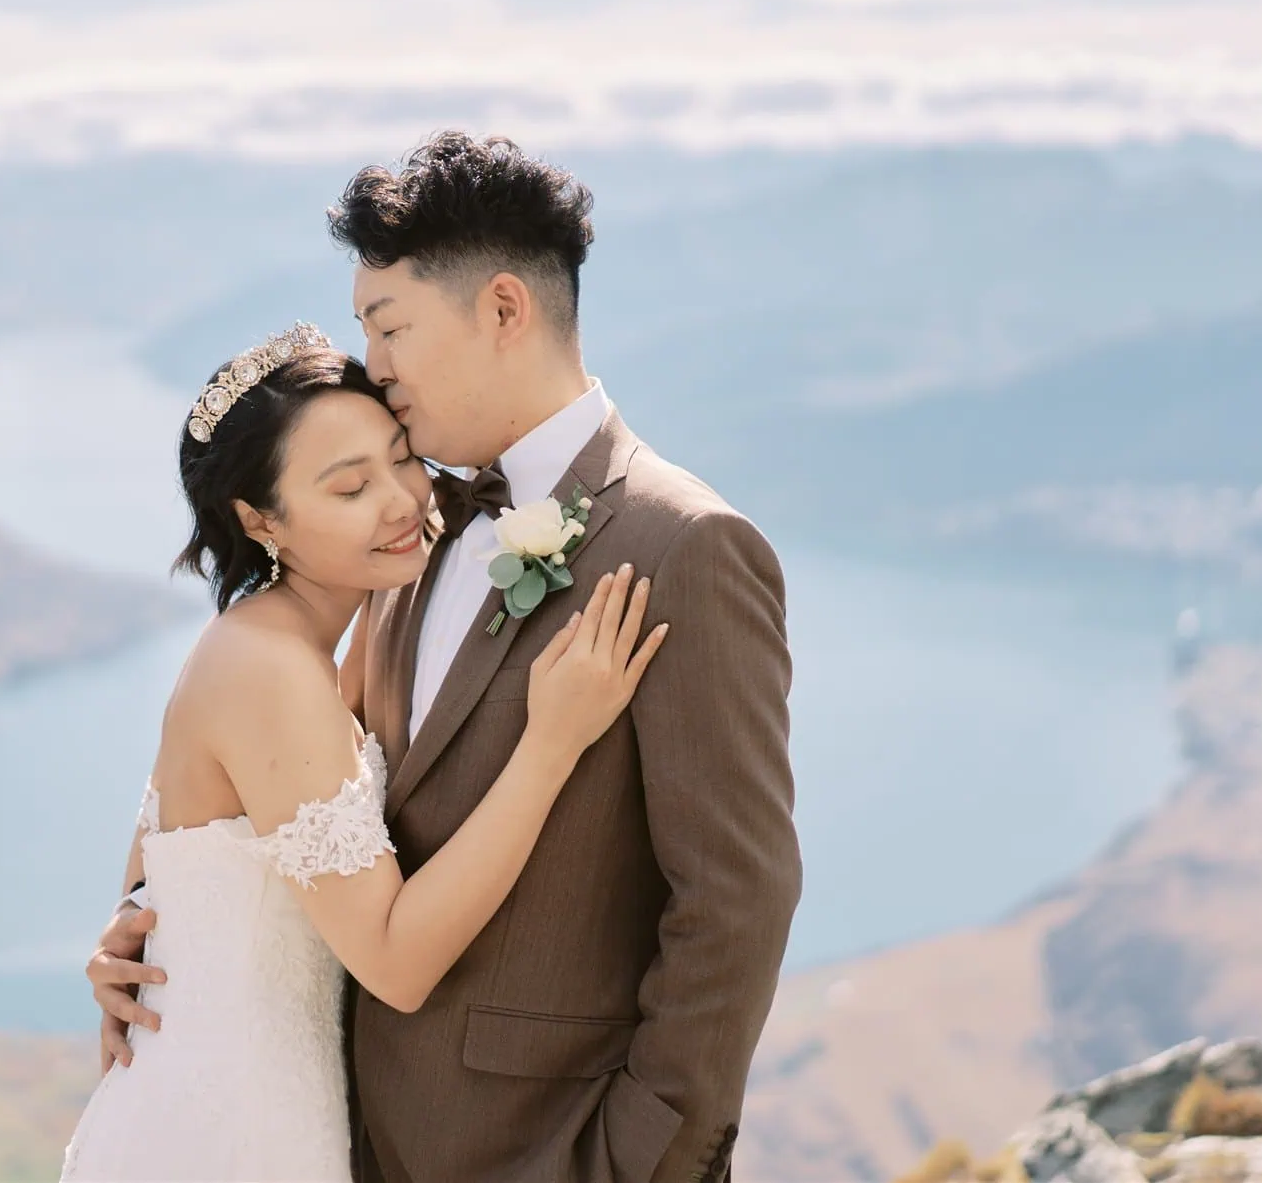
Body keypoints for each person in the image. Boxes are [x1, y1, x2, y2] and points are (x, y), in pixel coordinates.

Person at [88, 132, 803, 1183]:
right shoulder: (406, 534)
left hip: (548, 1158)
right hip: (336, 1136)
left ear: (502, 310)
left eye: (388, 327)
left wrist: (640, 1159)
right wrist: (142, 939)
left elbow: (735, 899)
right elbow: (280, 806)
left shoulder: (683, 547)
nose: (374, 366)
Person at [60, 320, 667, 1182]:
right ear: (259, 519)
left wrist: (133, 930)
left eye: (402, 457)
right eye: (350, 488)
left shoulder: (289, 643)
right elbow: (396, 961)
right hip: (232, 1133)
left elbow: (157, 855)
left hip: (249, 1104)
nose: (401, 500)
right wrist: (553, 742)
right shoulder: (267, 669)